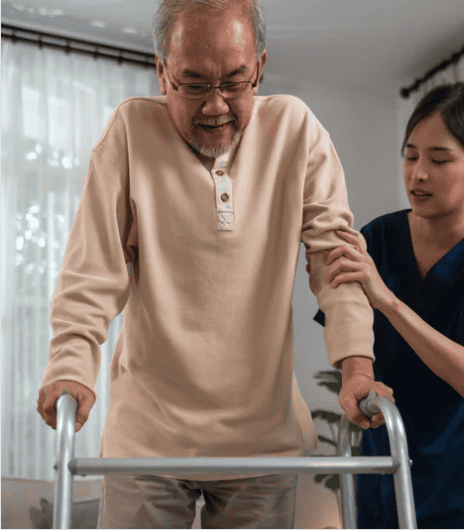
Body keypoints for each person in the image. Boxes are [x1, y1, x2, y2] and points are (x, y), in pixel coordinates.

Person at [36, 0, 393, 528]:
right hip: (147, 444)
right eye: (194, 84)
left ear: (260, 67)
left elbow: (335, 260)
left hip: (262, 443)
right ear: (162, 73)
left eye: (234, 81)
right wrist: (71, 365)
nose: (216, 106)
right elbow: (92, 269)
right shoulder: (131, 132)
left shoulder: (295, 130)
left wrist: (356, 365)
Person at [313, 81, 464, 528]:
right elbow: (349, 332)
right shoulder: (377, 238)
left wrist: (388, 301)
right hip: (384, 460)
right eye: (410, 156)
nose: (418, 174)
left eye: (439, 159)